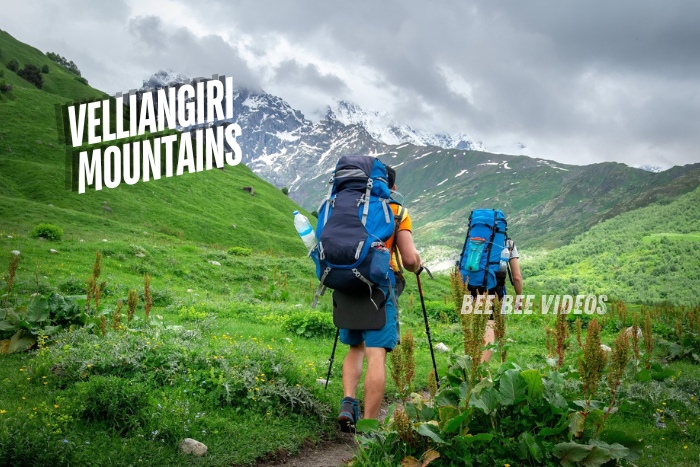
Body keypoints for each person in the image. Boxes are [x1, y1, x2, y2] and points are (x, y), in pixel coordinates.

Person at [337, 165, 422, 432]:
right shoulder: (397, 212)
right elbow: (408, 260)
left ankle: (348, 403)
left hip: (346, 282)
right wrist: (418, 265)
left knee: (355, 348)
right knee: (376, 353)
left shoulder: (345, 206)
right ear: (390, 188)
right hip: (380, 287)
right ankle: (369, 427)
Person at [469, 239, 523, 362]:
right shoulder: (508, 243)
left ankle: (473, 368)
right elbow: (517, 277)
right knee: (489, 329)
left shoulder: (474, 237)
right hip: (494, 291)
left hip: (471, 288)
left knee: (476, 330)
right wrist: (519, 297)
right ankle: (479, 370)